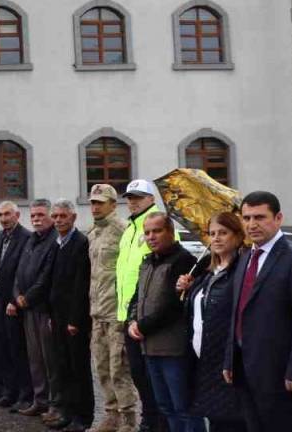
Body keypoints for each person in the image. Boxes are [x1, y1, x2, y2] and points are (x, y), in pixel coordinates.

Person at [223, 191, 292, 432]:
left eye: (259, 217)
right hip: (245, 370)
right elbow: (238, 312)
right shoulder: (246, 258)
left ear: (278, 218)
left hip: (282, 375)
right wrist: (230, 359)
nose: (251, 224)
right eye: (246, 218)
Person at [127, 212, 200, 432]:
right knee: (165, 407)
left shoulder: (184, 261)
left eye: (157, 231)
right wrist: (132, 320)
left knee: (184, 408)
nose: (151, 237)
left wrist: (142, 326)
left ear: (170, 232)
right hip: (149, 348)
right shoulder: (148, 261)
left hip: (173, 349)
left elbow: (172, 307)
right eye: (147, 232)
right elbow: (136, 297)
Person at [176, 212, 245, 432]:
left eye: (223, 233)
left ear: (237, 236)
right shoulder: (207, 272)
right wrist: (188, 290)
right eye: (212, 233)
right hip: (203, 362)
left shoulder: (242, 271)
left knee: (231, 422)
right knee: (214, 420)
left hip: (226, 362)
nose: (216, 238)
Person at [87, 183, 139, 432]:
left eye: (100, 202)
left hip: (116, 312)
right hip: (97, 312)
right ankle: (111, 414)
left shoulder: (124, 230)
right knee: (102, 367)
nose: (95, 207)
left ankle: (128, 419)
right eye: (93, 202)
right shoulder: (92, 233)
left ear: (112, 204)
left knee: (119, 368)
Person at [118, 180, 168, 432]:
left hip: (149, 317)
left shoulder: (157, 223)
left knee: (152, 377)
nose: (133, 201)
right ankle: (149, 419)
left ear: (151, 199)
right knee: (138, 374)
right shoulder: (130, 228)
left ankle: (157, 422)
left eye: (138, 196)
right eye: (129, 197)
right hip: (129, 312)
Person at [47, 200, 94, 432]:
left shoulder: (80, 243)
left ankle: (82, 415)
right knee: (62, 366)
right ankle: (66, 411)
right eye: (55, 216)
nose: (58, 220)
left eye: (62, 216)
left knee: (78, 369)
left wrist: (76, 319)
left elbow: (80, 284)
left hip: (73, 318)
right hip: (57, 315)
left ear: (73, 218)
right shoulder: (57, 243)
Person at [14, 199, 60, 417]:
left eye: (41, 215)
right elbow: (20, 271)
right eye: (33, 216)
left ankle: (54, 402)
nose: (36, 219)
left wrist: (28, 297)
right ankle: (40, 399)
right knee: (35, 358)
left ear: (50, 216)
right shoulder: (32, 239)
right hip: (27, 308)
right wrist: (17, 295)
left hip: (43, 307)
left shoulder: (54, 240)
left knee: (50, 358)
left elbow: (46, 276)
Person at [0, 200, 32, 409]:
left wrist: (15, 299)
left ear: (17, 215)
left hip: (13, 301)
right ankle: (8, 391)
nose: (4, 219)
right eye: (1, 215)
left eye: (7, 214)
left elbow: (22, 273)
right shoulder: (0, 236)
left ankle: (24, 395)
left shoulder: (26, 238)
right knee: (1, 347)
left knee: (17, 350)